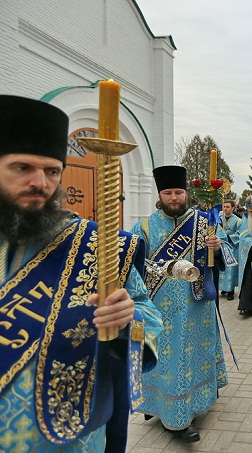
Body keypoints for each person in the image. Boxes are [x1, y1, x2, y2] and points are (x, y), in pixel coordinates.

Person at [0, 95, 162, 452]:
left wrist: (127, 320)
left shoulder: (101, 247)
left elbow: (147, 317)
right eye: (22, 168)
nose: (40, 182)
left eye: (52, 171)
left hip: (69, 436)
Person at [131, 165, 228, 443]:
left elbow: (229, 253)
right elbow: (133, 266)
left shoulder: (204, 222)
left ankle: (195, 403)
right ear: (160, 195)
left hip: (197, 308)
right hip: (161, 312)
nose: (174, 197)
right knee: (168, 361)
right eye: (168, 192)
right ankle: (174, 418)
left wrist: (218, 247)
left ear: (186, 193)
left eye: (179, 192)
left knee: (195, 355)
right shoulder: (145, 227)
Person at [219, 198, 241, 300]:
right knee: (221, 268)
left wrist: (228, 237)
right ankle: (223, 288)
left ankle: (231, 291)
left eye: (228, 207)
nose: (225, 209)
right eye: (224, 207)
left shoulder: (238, 221)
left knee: (231, 269)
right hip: (221, 246)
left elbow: (239, 233)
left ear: (233, 208)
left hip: (232, 248)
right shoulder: (219, 219)